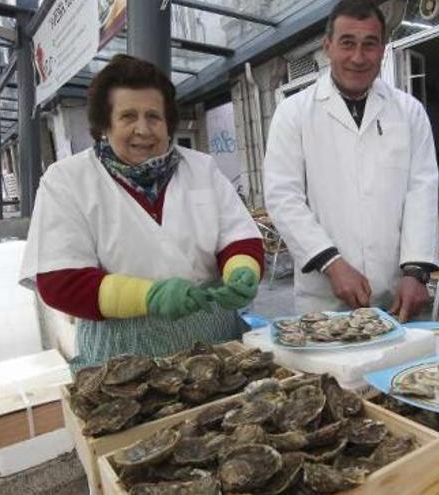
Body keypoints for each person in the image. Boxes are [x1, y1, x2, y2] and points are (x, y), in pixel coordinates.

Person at [20, 54, 264, 367]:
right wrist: (148, 297)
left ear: (168, 122)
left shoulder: (201, 168)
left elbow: (238, 236)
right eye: (128, 116)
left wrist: (241, 269)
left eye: (153, 116)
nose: (143, 129)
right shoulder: (67, 180)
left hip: (217, 340)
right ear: (105, 123)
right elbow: (59, 282)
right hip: (122, 353)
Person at [264, 0, 439, 322]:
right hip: (323, 298)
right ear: (327, 46)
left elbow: (422, 192)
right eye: (347, 43)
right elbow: (282, 197)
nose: (358, 57)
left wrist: (416, 271)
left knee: (402, 372)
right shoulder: (294, 113)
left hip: (397, 295)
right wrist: (332, 264)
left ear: (383, 50)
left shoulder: (409, 111)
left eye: (369, 45)